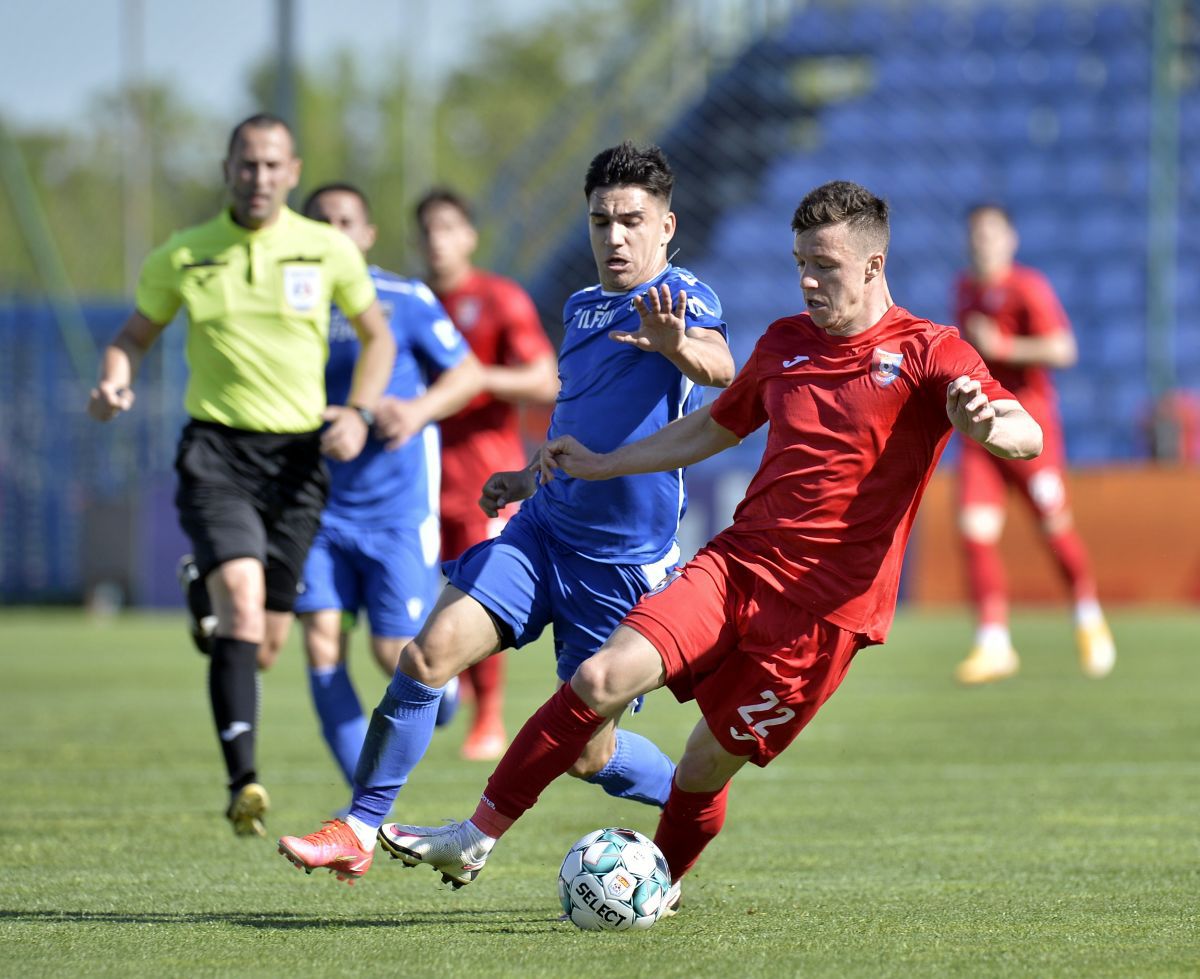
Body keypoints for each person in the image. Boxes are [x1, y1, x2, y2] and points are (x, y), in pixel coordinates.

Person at [377, 181, 1044, 910]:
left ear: (873, 265)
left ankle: (657, 885)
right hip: (735, 567)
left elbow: (1025, 431)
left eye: (824, 265)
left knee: (700, 766)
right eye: (800, 263)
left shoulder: (929, 352)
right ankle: (475, 835)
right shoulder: (786, 341)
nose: (807, 281)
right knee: (600, 678)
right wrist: (606, 463)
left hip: (822, 618)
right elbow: (712, 426)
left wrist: (986, 426)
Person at [277, 141, 735, 882]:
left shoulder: (681, 297)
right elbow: (574, 415)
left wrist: (675, 341)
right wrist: (525, 478)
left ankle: (689, 797)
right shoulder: (581, 307)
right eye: (601, 221)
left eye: (631, 221)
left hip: (620, 567)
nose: (615, 237)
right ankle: (358, 825)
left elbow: (722, 367)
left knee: (588, 753)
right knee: (425, 656)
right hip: (542, 532)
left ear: (666, 226)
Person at [88, 114, 397, 837]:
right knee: (243, 604)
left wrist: (358, 413)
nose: (259, 177)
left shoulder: (326, 249)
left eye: (272, 165)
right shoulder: (184, 253)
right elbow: (133, 335)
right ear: (227, 170)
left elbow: (377, 337)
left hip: (297, 462)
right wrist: (113, 380)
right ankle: (243, 782)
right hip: (217, 452)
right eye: (247, 164)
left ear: (292, 172)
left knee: (262, 644)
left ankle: (204, 587)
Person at [294, 182, 484, 787]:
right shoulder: (287, 304)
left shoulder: (404, 299)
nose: (333, 232)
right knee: (321, 643)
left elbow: (468, 374)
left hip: (395, 508)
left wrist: (416, 410)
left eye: (345, 221)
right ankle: (364, 804)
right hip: (315, 506)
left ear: (368, 233)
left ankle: (444, 692)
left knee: (392, 653)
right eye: (320, 222)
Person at [415, 187, 559, 761]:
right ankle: (446, 694)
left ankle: (488, 718)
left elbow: (543, 378)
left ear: (470, 236)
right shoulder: (411, 302)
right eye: (428, 230)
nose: (437, 240)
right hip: (417, 478)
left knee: (478, 595)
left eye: (449, 228)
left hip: (483, 477)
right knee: (421, 603)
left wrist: (478, 380)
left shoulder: (498, 298)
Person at [951, 204, 1115, 684]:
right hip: (982, 430)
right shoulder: (964, 289)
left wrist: (1005, 347)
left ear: (1010, 239)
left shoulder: (1027, 287)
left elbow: (1063, 348)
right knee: (974, 529)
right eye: (975, 234)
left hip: (1028, 431)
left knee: (1053, 526)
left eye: (991, 233)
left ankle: (1088, 615)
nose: (982, 242)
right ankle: (993, 643)